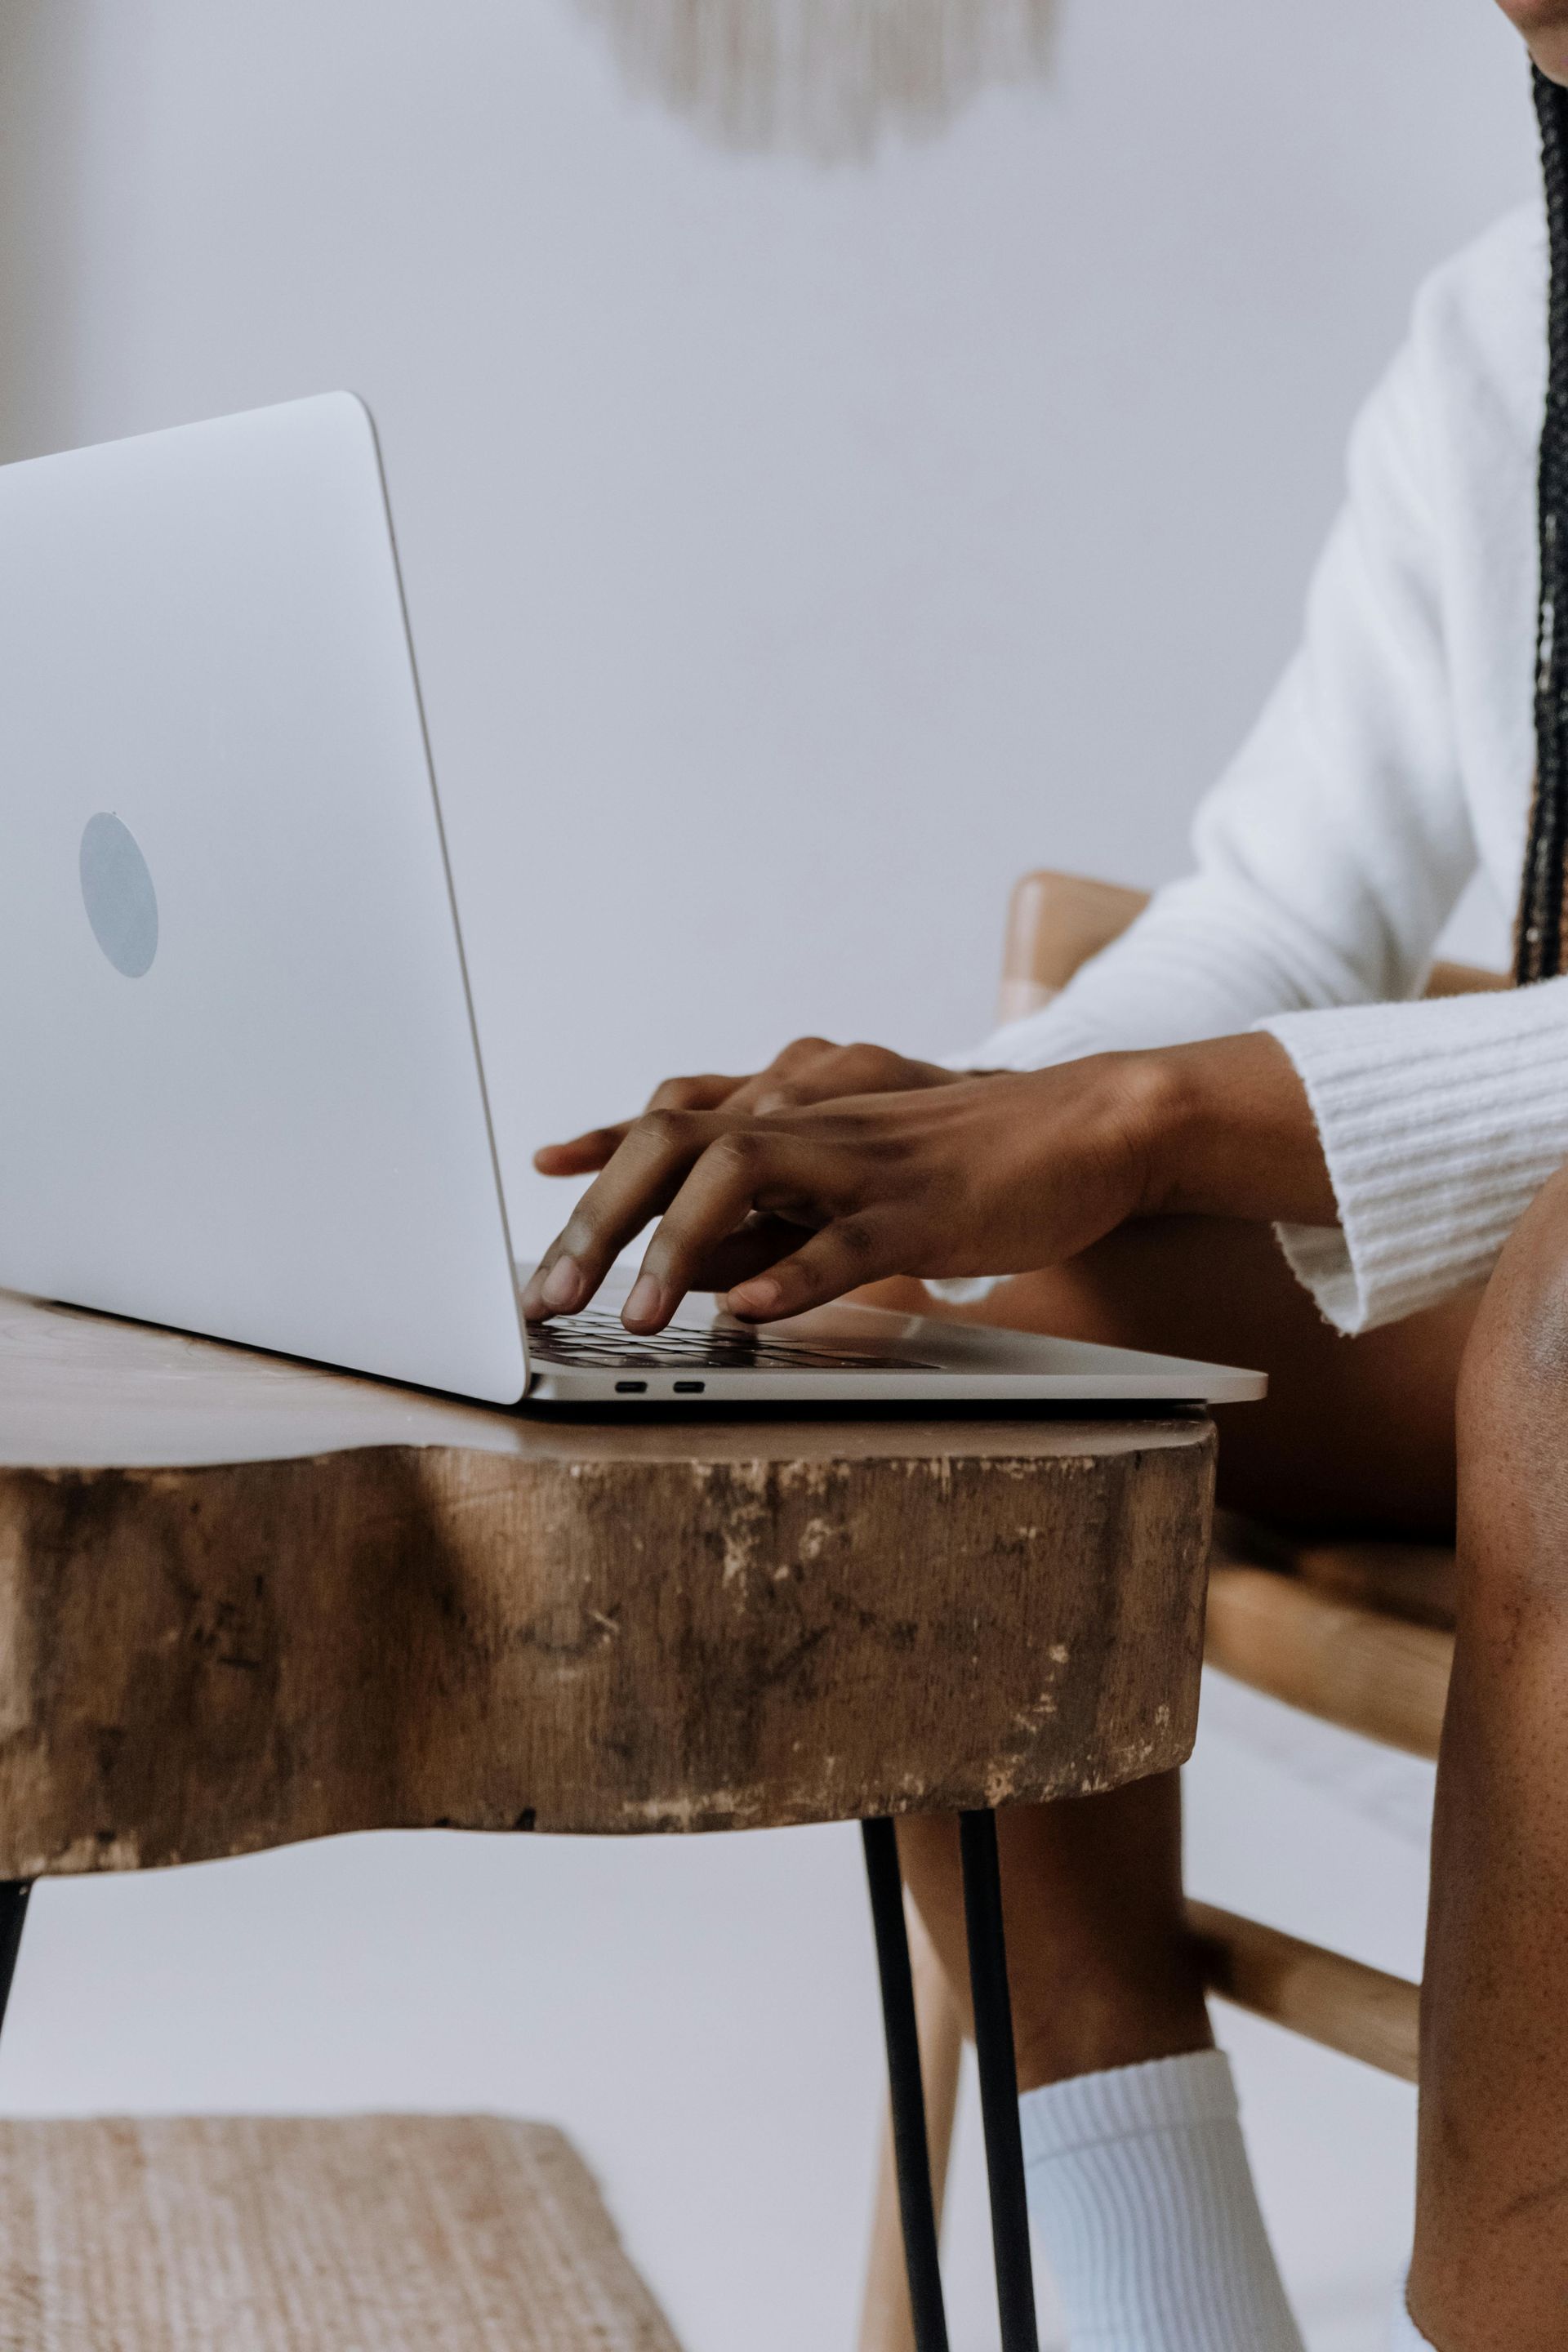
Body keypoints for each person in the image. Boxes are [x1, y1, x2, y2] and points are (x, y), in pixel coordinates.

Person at [525, 7, 1568, 2345]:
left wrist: (1141, 1121)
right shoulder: (1504, 320)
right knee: (944, 1339)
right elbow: (1283, 909)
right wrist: (969, 1145)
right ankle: (1153, 2295)